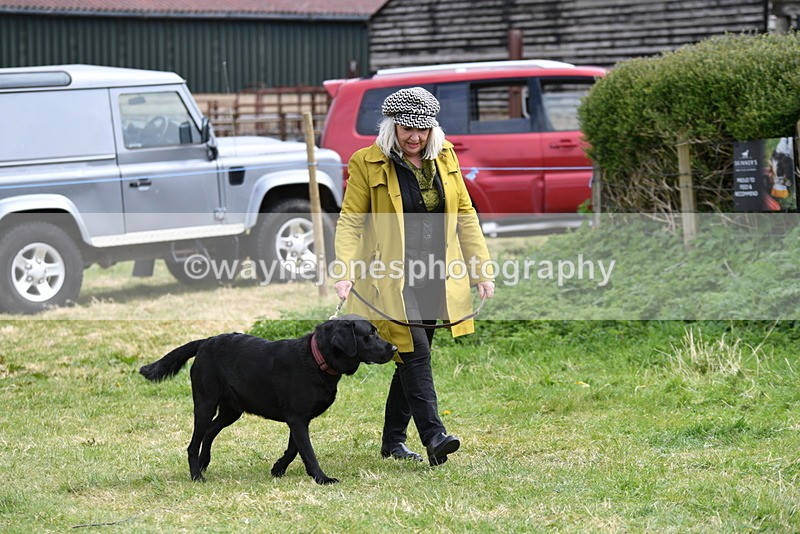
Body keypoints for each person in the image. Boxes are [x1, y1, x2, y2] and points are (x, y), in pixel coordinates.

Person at [333, 87, 495, 466]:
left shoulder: (446, 156)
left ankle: (392, 441)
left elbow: (466, 214)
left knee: (410, 356)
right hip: (391, 276)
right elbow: (351, 220)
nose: (414, 137)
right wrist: (344, 270)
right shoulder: (366, 162)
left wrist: (480, 269)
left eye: (422, 129)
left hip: (437, 275)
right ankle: (435, 436)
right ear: (392, 126)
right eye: (406, 128)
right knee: (414, 351)